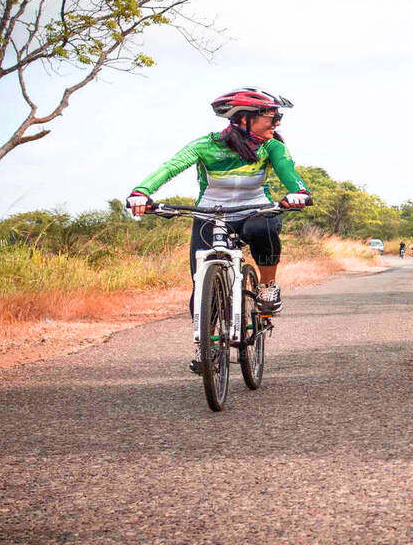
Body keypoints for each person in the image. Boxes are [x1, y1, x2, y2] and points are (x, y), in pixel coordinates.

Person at [127, 87, 310, 371]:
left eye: (278, 118)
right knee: (200, 282)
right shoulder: (205, 145)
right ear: (243, 119)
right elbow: (171, 167)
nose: (276, 124)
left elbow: (290, 174)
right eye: (270, 118)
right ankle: (205, 345)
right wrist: (141, 192)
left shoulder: (272, 147)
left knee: (264, 228)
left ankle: (267, 288)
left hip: (255, 209)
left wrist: (298, 192)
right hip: (210, 213)